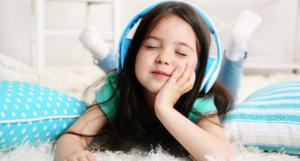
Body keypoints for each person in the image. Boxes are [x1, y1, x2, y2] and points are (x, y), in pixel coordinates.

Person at [54, 2, 262, 161]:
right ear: (132, 52)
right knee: (125, 73)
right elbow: (72, 137)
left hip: (214, 91)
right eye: (152, 46)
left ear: (200, 70)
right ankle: (103, 52)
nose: (163, 58)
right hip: (130, 74)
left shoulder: (200, 100)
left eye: (180, 52)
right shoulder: (116, 90)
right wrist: (71, 154)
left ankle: (235, 51)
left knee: (230, 95)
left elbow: (222, 155)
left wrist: (165, 108)